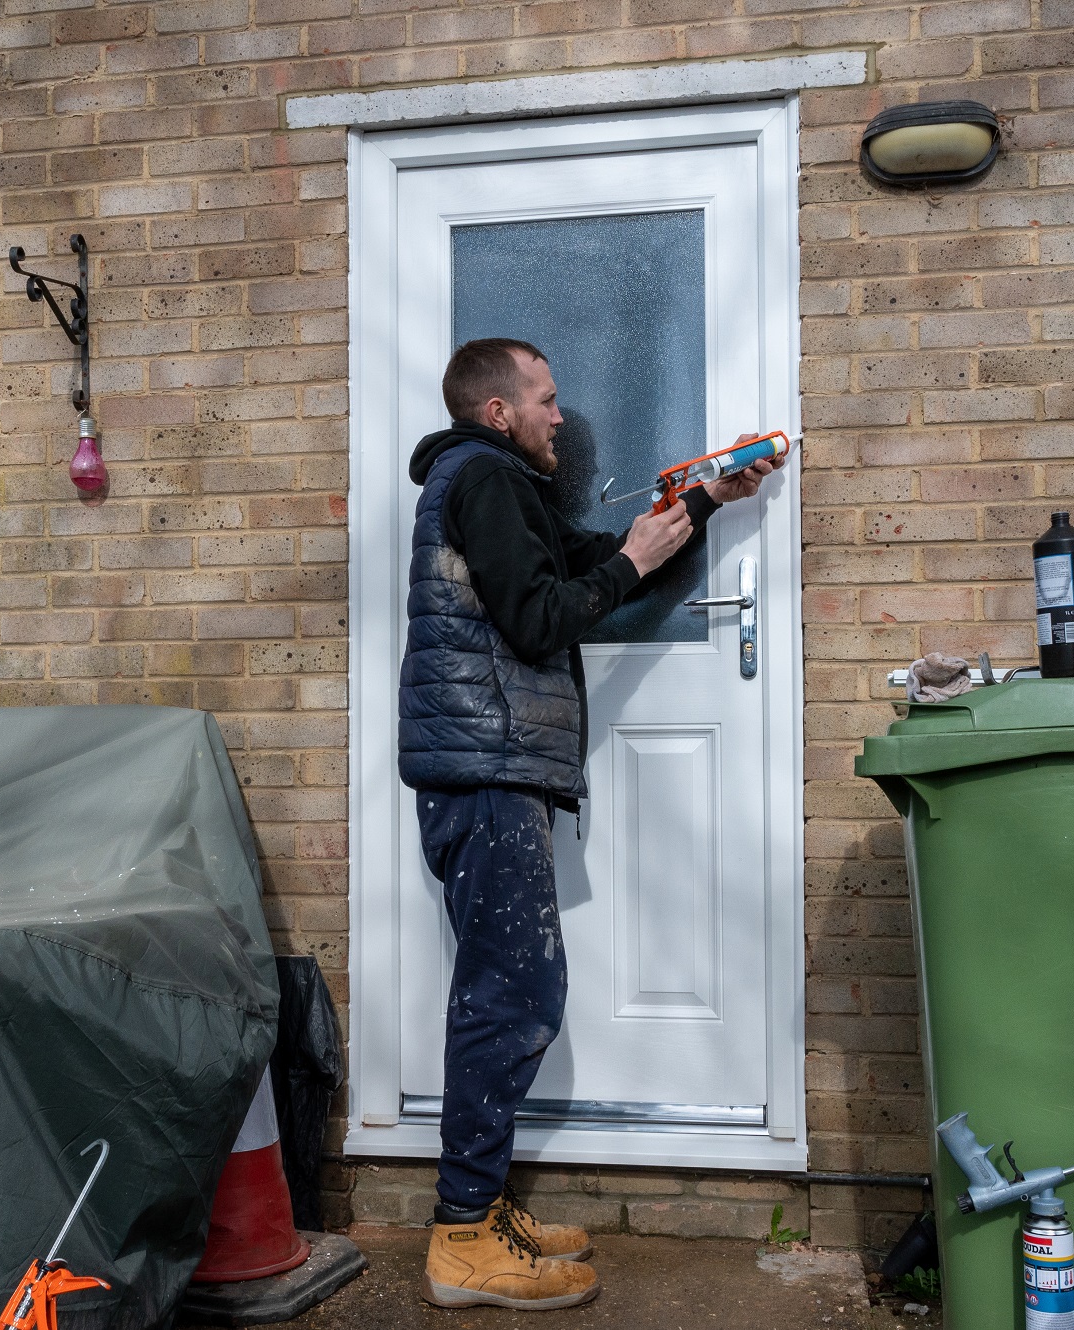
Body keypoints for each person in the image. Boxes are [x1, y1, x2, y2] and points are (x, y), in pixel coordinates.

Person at [399, 338, 783, 1310]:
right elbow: (540, 617)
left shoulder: (500, 488)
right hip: (481, 770)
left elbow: (591, 564)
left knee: (509, 986)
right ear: (497, 412)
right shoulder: (479, 479)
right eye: (545, 398)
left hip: (493, 768)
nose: (559, 416)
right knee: (512, 994)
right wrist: (627, 564)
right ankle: (459, 1237)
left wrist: (700, 501)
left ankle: (478, 1212)